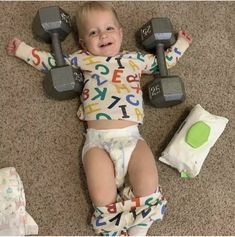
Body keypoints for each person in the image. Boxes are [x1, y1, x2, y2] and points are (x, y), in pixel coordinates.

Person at [6, 1, 192, 235]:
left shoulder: (134, 60)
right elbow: (53, 62)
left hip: (132, 137)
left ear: (121, 33)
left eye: (109, 29)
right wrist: (23, 51)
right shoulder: (83, 59)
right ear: (83, 43)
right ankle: (114, 227)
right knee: (102, 195)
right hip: (97, 142)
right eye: (93, 32)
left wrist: (181, 44)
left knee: (148, 181)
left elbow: (162, 63)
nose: (102, 35)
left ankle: (139, 228)